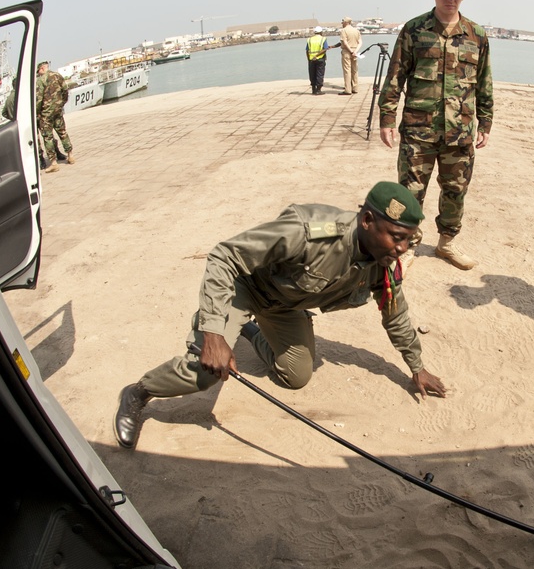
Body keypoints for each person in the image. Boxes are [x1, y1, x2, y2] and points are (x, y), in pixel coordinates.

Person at [114, 181, 448, 449]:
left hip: (284, 305)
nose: (401, 248)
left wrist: (416, 367)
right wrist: (214, 335)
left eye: (408, 240)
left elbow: (396, 314)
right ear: (367, 221)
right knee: (205, 373)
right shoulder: (308, 232)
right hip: (243, 289)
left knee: (296, 376)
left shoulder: (383, 263)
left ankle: (248, 331)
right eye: (397, 237)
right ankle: (139, 391)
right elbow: (224, 257)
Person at [378, 0, 493, 272]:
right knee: (408, 192)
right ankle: (407, 245)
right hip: (419, 131)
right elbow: (395, 76)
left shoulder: (477, 35)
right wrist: (387, 117)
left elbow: (484, 82)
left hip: (461, 133)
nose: (450, 0)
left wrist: (485, 122)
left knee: (456, 191)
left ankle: (447, 243)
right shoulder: (414, 30)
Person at [35, 61, 75, 173]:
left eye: (39, 71)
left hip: (46, 114)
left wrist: (37, 112)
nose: (39, 73)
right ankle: (70, 155)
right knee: (62, 132)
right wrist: (62, 103)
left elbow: (38, 99)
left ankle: (53, 163)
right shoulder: (57, 75)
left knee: (47, 137)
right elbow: (65, 90)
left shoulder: (41, 80)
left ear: (42, 68)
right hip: (58, 110)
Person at [305, 27, 339, 95]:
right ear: (321, 32)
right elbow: (325, 49)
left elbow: (307, 50)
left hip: (311, 59)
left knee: (312, 74)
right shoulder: (323, 39)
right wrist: (317, 55)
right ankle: (318, 90)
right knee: (320, 74)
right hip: (320, 59)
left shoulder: (309, 39)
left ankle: (313, 89)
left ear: (314, 32)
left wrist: (309, 59)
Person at [338, 16, 363, 95]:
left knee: (347, 71)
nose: (342, 23)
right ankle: (355, 88)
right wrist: (355, 51)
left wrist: (351, 51)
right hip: (355, 52)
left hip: (347, 52)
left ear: (346, 22)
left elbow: (345, 42)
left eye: (343, 22)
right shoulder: (356, 30)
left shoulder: (344, 31)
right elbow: (360, 42)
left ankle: (348, 89)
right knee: (355, 70)